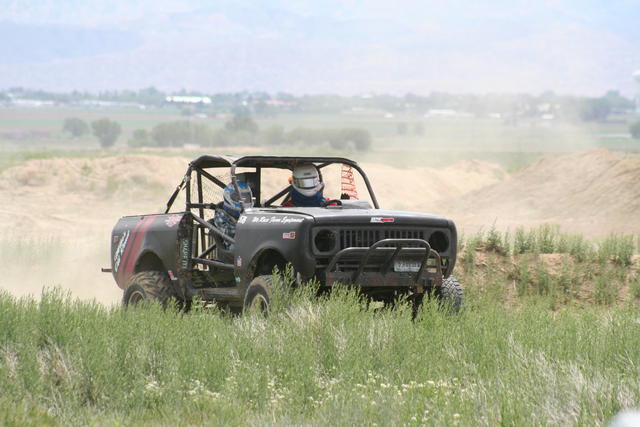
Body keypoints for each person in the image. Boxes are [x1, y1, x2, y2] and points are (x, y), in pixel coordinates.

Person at [213, 181, 252, 250]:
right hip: (233, 249)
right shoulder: (220, 216)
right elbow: (230, 233)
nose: (242, 200)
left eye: (245, 197)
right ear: (228, 197)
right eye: (238, 198)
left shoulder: (248, 215)